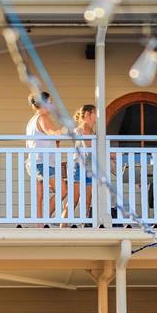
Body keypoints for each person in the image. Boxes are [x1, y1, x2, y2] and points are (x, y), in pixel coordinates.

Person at [25, 92, 66, 224]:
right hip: (43, 162)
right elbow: (53, 133)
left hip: (34, 161)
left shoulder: (31, 121)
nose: (52, 105)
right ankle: (44, 218)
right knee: (62, 190)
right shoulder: (42, 118)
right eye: (50, 102)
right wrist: (66, 130)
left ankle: (40, 224)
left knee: (39, 196)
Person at [67, 104, 97, 222]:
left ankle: (84, 224)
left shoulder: (92, 131)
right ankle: (63, 226)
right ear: (88, 114)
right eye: (95, 113)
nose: (97, 116)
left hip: (90, 166)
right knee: (74, 198)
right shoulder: (81, 128)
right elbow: (91, 147)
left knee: (88, 198)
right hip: (79, 166)